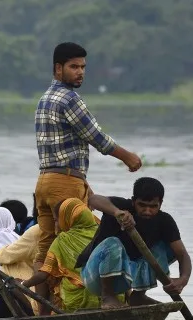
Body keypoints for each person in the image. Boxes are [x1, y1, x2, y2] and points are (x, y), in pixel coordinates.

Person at [34, 42, 142, 269]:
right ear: (58, 69)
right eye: (74, 67)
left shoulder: (45, 98)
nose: (80, 72)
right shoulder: (69, 98)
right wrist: (127, 157)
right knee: (76, 244)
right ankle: (73, 301)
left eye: (83, 67)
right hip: (64, 183)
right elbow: (96, 137)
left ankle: (41, 305)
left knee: (46, 248)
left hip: (44, 183)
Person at [78, 177, 192, 309]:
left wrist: (183, 280)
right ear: (133, 201)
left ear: (160, 203)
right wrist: (117, 212)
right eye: (142, 205)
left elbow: (182, 254)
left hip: (126, 278)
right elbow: (93, 199)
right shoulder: (121, 206)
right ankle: (107, 296)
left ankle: (138, 296)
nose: (147, 211)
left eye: (153, 206)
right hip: (94, 276)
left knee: (167, 247)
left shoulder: (165, 221)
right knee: (113, 243)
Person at [22, 198, 101, 313]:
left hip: (77, 302)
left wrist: (23, 284)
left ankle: (43, 314)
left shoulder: (63, 240)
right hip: (109, 296)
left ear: (67, 219)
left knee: (54, 280)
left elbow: (43, 274)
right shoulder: (101, 233)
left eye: (56, 220)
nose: (56, 224)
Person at [0, 224, 42, 314]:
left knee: (11, 262)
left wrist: (22, 284)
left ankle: (37, 308)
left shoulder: (37, 231)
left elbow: (3, 256)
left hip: (54, 296)